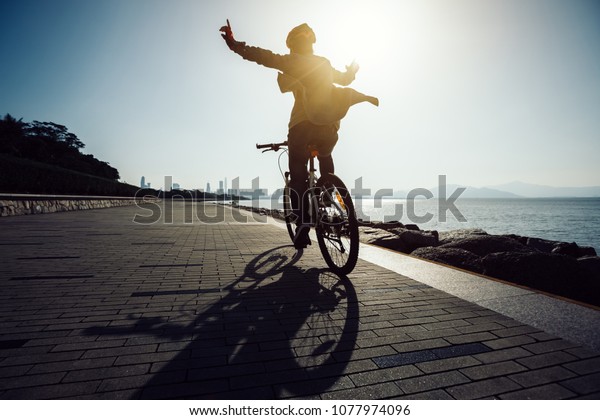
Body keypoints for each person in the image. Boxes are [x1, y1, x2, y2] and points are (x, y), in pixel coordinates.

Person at [219, 20, 378, 248]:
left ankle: (303, 224)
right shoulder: (323, 63)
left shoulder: (292, 62)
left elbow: (262, 56)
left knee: (298, 172)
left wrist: (234, 44)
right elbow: (344, 79)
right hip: (329, 128)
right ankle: (327, 191)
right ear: (312, 42)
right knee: (325, 154)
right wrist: (352, 69)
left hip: (301, 127)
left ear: (293, 46)